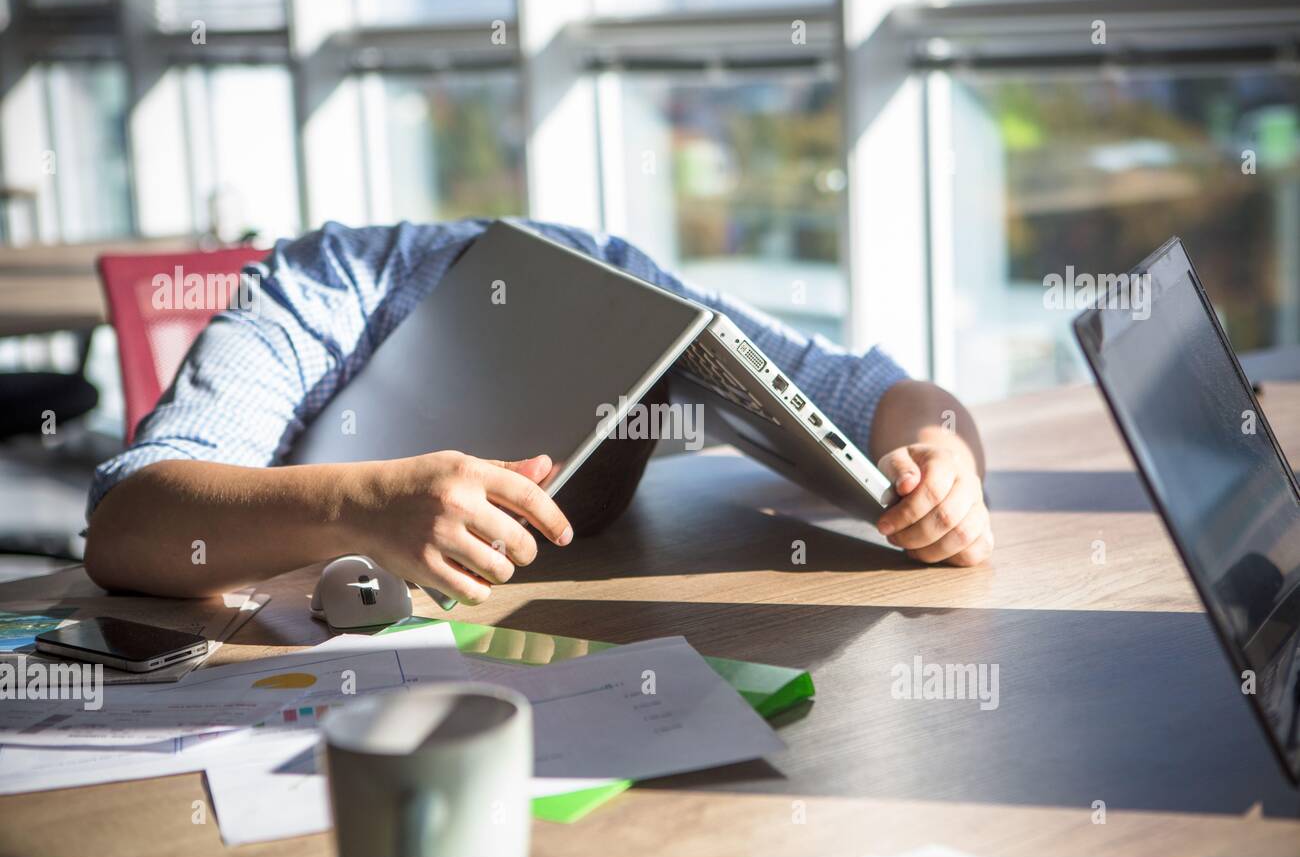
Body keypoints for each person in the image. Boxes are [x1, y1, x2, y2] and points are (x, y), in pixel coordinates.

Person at [83, 219, 992, 603]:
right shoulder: (317, 290)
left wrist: (942, 461)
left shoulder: (623, 286)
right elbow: (126, 523)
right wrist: (361, 506)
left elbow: (885, 394)